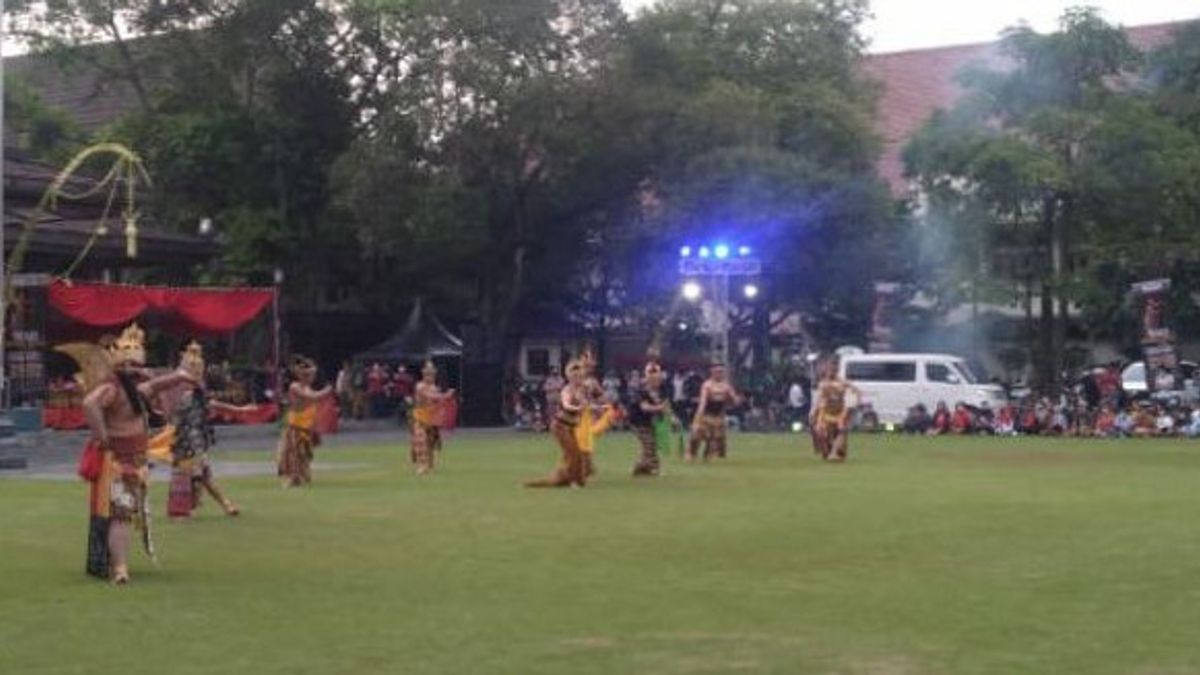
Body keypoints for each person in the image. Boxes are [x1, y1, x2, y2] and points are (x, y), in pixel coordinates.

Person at [75, 324, 195, 584]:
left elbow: (157, 384)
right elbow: (89, 403)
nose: (137, 369)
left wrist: (181, 375)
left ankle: (114, 562)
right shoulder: (113, 388)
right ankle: (120, 567)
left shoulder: (134, 388)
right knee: (121, 515)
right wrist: (101, 436)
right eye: (129, 364)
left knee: (122, 514)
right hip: (117, 462)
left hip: (135, 460)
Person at [160, 341, 244, 519]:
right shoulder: (182, 394)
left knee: (201, 476)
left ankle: (217, 505)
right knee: (197, 477)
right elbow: (172, 415)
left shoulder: (198, 394)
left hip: (196, 441)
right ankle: (204, 506)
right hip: (184, 441)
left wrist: (239, 410)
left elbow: (213, 402)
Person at [526, 359, 588, 488]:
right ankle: (574, 481)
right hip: (560, 426)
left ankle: (571, 478)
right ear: (570, 377)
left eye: (580, 376)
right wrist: (578, 408)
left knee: (577, 453)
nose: (579, 378)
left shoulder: (582, 390)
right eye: (575, 376)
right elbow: (566, 404)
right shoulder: (567, 390)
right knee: (572, 453)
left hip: (570, 427)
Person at [277, 356, 333, 488]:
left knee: (305, 454)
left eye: (313, 375)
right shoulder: (295, 387)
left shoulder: (309, 387)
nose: (313, 377)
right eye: (309, 375)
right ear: (303, 376)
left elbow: (313, 372)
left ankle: (302, 475)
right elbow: (313, 397)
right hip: (295, 425)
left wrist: (309, 364)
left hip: (307, 426)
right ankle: (292, 478)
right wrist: (327, 390)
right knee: (293, 453)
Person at [810, 358, 861, 462]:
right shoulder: (823, 384)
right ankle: (825, 449)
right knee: (819, 430)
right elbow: (819, 399)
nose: (831, 371)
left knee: (842, 431)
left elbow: (856, 391)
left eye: (833, 369)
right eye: (829, 369)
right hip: (825, 413)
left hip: (839, 413)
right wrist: (814, 410)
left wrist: (855, 403)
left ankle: (835, 451)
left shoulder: (842, 382)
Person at [687, 363, 741, 461]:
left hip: (719, 417)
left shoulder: (726, 386)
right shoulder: (707, 385)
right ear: (712, 372)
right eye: (718, 371)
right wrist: (698, 418)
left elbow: (734, 400)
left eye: (722, 372)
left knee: (714, 439)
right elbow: (703, 403)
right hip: (706, 415)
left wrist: (736, 400)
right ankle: (691, 453)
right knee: (696, 435)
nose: (720, 374)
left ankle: (709, 455)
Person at [411, 360, 456, 475]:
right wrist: (445, 396)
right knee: (420, 441)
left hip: (431, 418)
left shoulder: (435, 388)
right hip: (420, 417)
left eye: (431, 373)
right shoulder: (420, 386)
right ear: (423, 373)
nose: (430, 376)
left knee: (431, 443)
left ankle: (429, 464)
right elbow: (429, 396)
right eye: (427, 373)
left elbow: (437, 403)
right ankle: (421, 466)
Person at [629, 361, 669, 477]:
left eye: (657, 375)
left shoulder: (663, 388)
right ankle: (645, 467)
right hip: (638, 421)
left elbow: (666, 404)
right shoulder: (640, 389)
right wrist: (659, 408)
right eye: (652, 375)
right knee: (648, 444)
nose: (655, 379)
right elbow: (644, 407)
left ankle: (645, 469)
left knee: (653, 445)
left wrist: (669, 417)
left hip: (651, 421)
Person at [542, 366, 564, 431]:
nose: (555, 372)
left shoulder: (561, 379)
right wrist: (554, 388)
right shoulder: (548, 379)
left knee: (559, 413)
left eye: (556, 371)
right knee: (550, 413)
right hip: (550, 399)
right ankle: (550, 426)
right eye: (554, 371)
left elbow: (561, 387)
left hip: (559, 399)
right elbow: (545, 388)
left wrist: (553, 387)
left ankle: (559, 427)